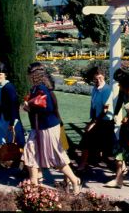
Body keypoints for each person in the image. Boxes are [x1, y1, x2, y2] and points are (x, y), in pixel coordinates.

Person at [21, 62, 81, 194]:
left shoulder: (42, 89)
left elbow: (47, 108)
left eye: (30, 74)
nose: (28, 77)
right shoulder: (36, 89)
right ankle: (34, 186)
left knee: (56, 157)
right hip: (37, 129)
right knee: (30, 152)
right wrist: (29, 106)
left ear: (35, 75)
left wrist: (29, 107)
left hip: (48, 128)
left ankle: (75, 180)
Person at [76, 66, 114, 172]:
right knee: (89, 140)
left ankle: (83, 164)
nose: (98, 80)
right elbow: (93, 106)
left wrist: (94, 123)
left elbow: (105, 110)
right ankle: (88, 162)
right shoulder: (94, 89)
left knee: (89, 141)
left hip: (105, 121)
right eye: (95, 79)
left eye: (100, 78)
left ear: (104, 77)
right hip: (97, 119)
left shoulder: (107, 90)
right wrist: (91, 120)